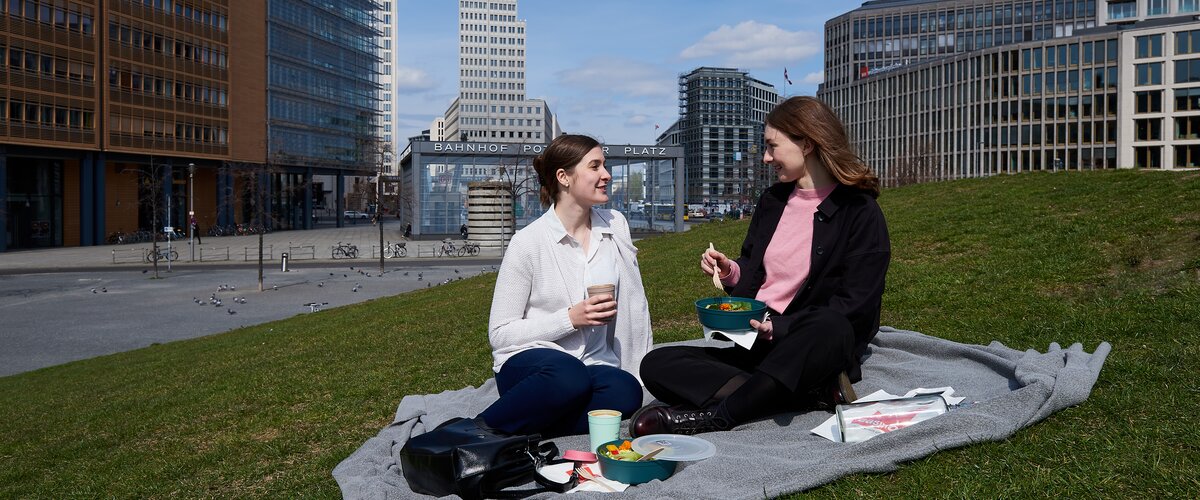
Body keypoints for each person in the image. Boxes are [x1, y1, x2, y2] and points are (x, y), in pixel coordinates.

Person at [630, 96, 891, 437]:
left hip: (810, 342)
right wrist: (729, 272)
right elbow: (754, 267)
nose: (766, 157)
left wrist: (781, 329)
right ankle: (799, 393)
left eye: (772, 146)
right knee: (657, 363)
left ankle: (717, 417)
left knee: (830, 325)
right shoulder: (773, 201)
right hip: (758, 344)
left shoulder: (859, 211)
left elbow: (858, 303)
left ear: (807, 143)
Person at [475, 134, 654, 438]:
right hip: (534, 364)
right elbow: (500, 334)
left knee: (626, 391)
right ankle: (477, 430)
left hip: (594, 365)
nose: (606, 175)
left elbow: (634, 305)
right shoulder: (527, 243)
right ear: (564, 177)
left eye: (604, 166)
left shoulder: (614, 227)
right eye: (595, 166)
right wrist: (570, 319)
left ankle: (529, 429)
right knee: (566, 374)